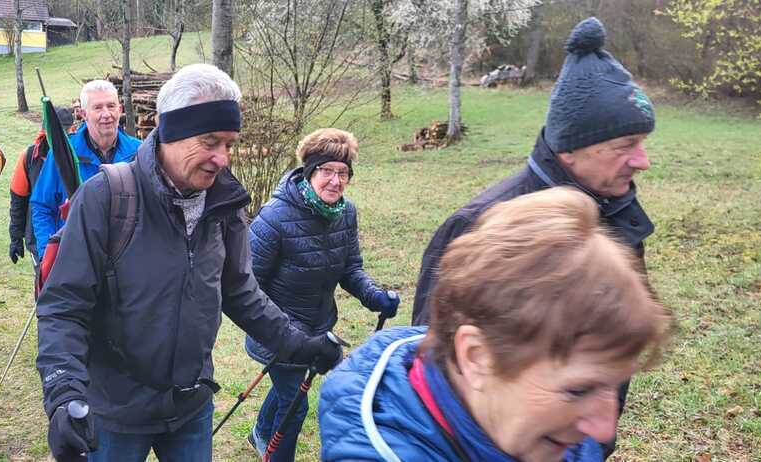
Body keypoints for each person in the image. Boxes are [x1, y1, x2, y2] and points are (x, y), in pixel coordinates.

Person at [35, 63, 344, 462]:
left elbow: (240, 292)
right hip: (114, 413)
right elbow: (64, 306)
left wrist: (300, 345)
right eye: (210, 142)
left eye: (229, 144)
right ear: (171, 132)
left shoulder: (225, 203)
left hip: (190, 407)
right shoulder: (106, 198)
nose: (222, 158)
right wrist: (63, 393)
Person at [410, 20, 655, 456]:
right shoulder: (479, 227)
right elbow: (434, 371)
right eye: (627, 144)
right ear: (571, 148)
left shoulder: (620, 222)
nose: (643, 160)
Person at [318, 187, 674, 462]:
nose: (605, 428)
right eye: (579, 390)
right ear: (475, 357)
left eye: (613, 385)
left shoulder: (548, 432)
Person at [244, 128, 400, 461]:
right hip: (276, 331)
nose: (335, 181)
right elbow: (247, 286)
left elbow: (350, 268)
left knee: (289, 390)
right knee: (295, 406)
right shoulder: (274, 217)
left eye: (343, 173)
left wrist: (374, 296)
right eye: (327, 171)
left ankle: (261, 432)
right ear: (309, 171)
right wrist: (282, 330)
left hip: (318, 329)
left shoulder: (345, 212)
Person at [30, 80, 142, 257]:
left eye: (111, 106)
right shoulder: (64, 155)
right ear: (83, 114)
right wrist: (48, 255)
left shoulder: (139, 152)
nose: (106, 114)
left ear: (120, 110)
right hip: (78, 255)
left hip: (127, 257)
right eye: (98, 108)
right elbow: (42, 206)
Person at [8, 106, 74, 264]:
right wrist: (16, 237)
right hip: (39, 238)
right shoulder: (29, 157)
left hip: (74, 237)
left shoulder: (79, 155)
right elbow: (18, 200)